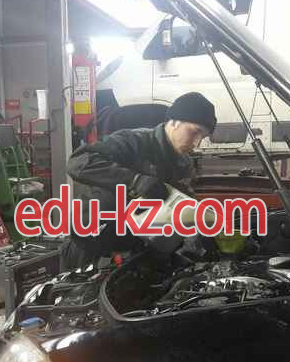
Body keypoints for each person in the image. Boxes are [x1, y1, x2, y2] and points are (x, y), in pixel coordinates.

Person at [61, 92, 217, 269]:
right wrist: (134, 180)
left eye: (203, 137)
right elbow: (78, 161)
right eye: (194, 132)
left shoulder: (183, 164)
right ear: (174, 122)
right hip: (92, 245)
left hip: (135, 248)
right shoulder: (133, 141)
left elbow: (183, 202)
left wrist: (206, 220)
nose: (197, 143)